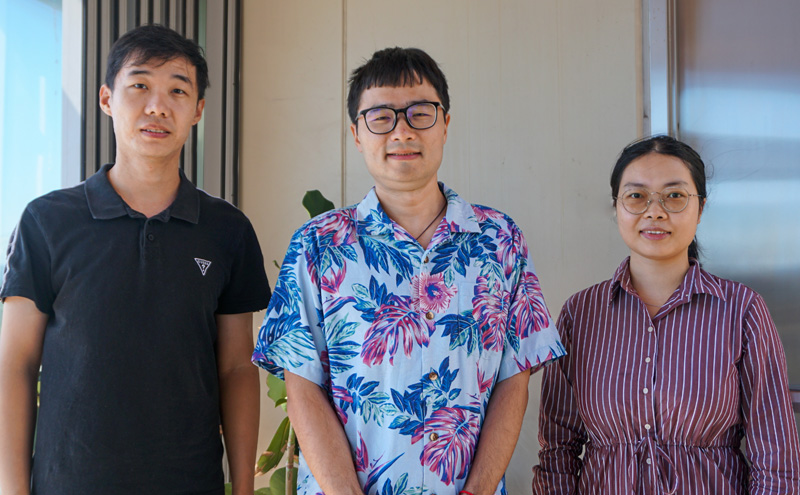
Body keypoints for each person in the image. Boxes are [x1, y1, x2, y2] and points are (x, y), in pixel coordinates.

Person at [252, 47, 565, 495]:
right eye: (381, 117)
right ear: (357, 134)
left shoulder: (500, 239)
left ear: (446, 124)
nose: (401, 131)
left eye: (420, 113)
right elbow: (302, 386)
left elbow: (514, 377)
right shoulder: (318, 244)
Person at [0, 25, 270, 495]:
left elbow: (236, 368)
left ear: (198, 110)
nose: (157, 106)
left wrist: (243, 487)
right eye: (140, 85)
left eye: (177, 91)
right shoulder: (46, 221)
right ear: (107, 98)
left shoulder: (227, 230)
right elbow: (15, 363)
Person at [532, 135, 800, 494]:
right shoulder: (580, 313)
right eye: (636, 196)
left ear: (700, 208)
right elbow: (557, 452)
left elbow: (776, 458)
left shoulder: (742, 311)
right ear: (616, 207)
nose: (654, 211)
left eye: (674, 196)